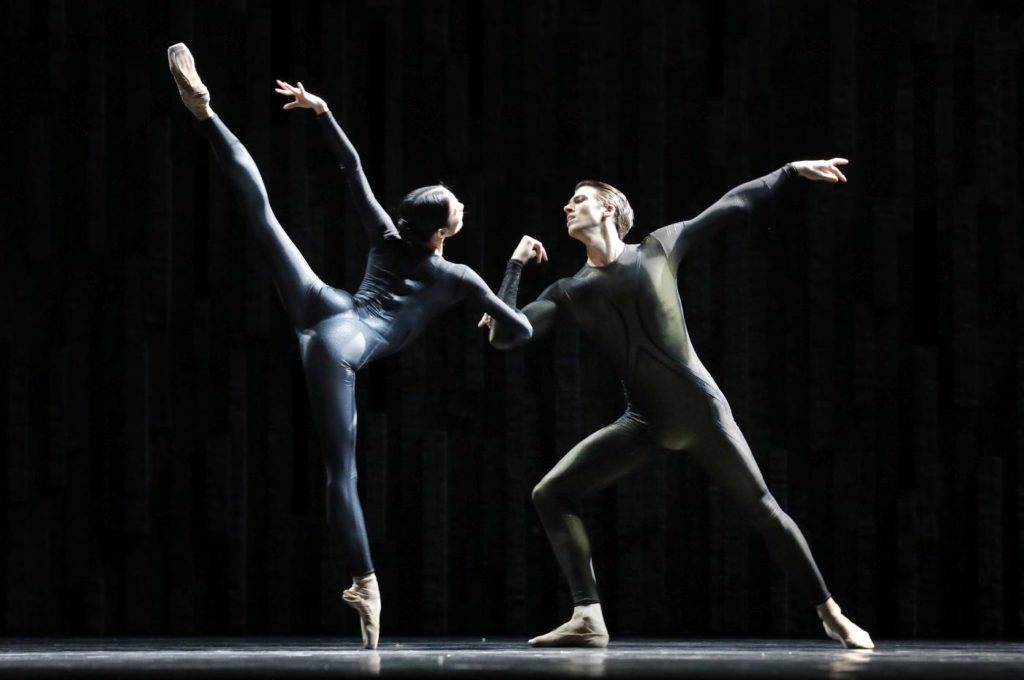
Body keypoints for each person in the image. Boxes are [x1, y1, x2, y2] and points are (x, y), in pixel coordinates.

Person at [168, 43, 534, 649]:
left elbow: (352, 168)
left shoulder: (388, 236)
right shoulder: (460, 277)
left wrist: (322, 110)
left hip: (324, 302)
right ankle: (366, 582)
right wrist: (513, 275)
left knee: (263, 217)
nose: (460, 204)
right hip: (341, 346)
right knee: (342, 474)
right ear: (443, 230)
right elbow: (518, 331)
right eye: (454, 205)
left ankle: (207, 116)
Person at [481, 160, 874, 650]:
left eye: (578, 199)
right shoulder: (568, 291)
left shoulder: (657, 248)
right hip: (644, 421)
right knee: (550, 493)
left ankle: (831, 613)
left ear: (608, 208)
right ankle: (588, 617)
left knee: (763, 510)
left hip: (702, 411)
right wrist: (514, 265)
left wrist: (791, 172)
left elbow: (732, 204)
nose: (567, 206)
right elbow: (503, 336)